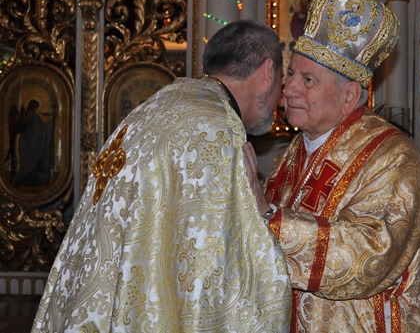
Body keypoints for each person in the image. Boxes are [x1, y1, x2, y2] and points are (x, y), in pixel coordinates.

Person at [32, 20, 292, 332]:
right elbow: (215, 271)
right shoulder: (217, 131)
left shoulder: (159, 105)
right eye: (283, 80)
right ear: (268, 72)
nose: (282, 96)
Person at [245, 0, 420, 332]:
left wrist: (268, 216)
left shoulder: (394, 158)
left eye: (308, 80)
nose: (289, 88)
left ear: (349, 96)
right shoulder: (294, 153)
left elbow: (366, 256)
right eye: (291, 74)